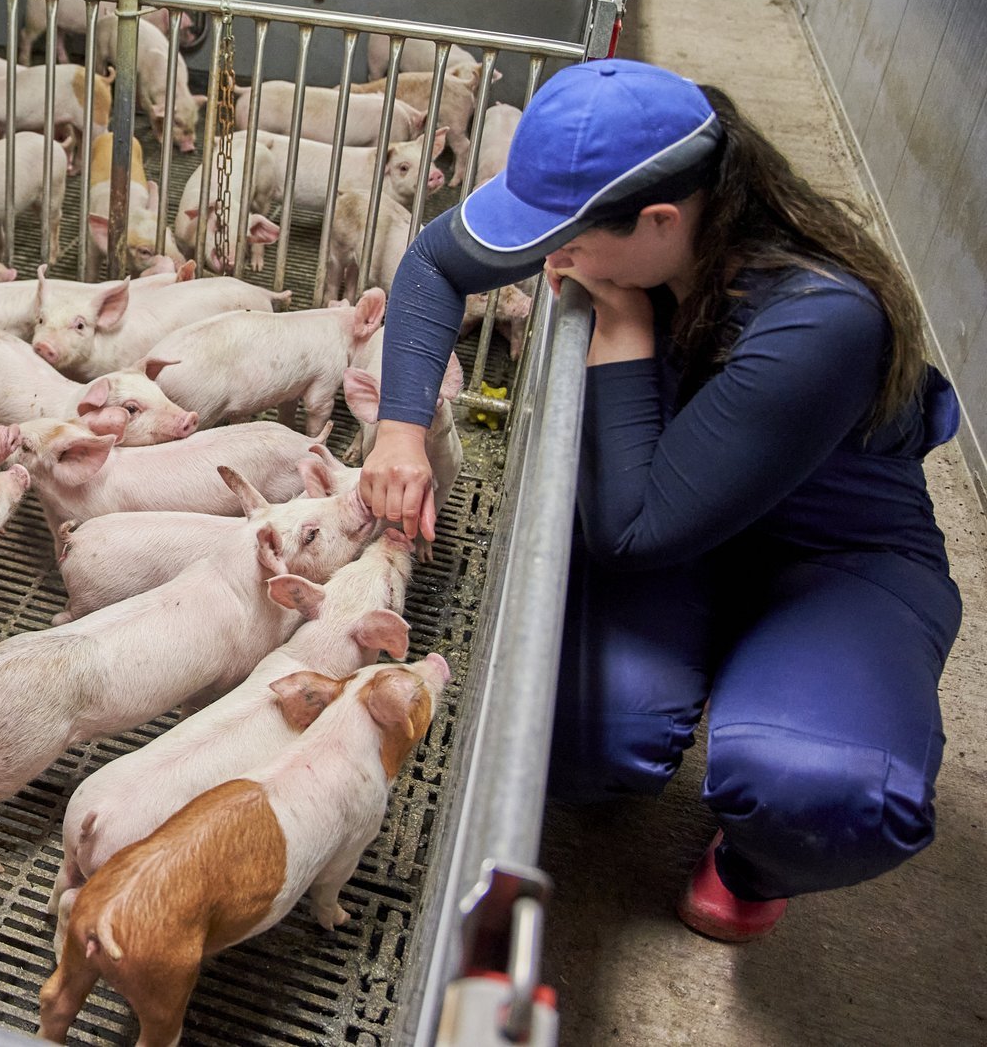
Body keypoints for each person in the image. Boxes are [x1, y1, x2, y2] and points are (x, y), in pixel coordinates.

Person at [359, 59, 962, 941]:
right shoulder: (628, 213)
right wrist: (400, 428)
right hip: (673, 510)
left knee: (827, 791)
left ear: (660, 221)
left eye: (563, 239)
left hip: (830, 556)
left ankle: (756, 858)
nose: (547, 258)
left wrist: (624, 336)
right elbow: (431, 264)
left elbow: (632, 532)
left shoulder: (820, 316)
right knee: (563, 739)